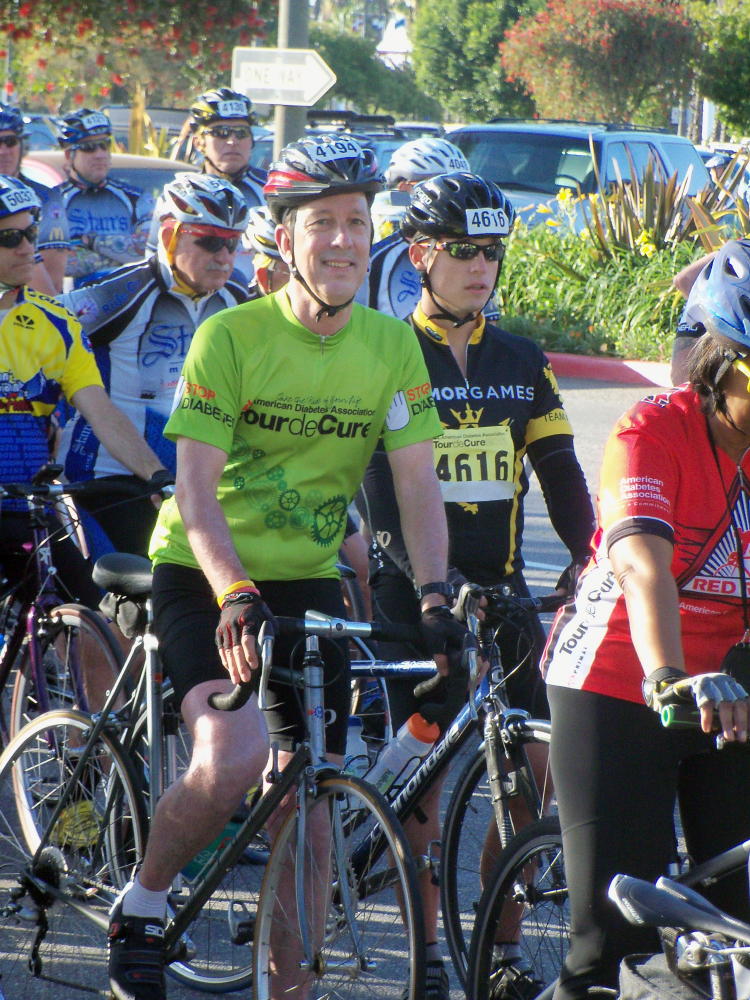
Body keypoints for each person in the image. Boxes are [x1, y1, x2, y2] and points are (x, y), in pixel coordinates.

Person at [107, 135, 466, 1000]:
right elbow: (194, 492)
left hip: (306, 578)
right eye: (322, 225)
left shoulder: (392, 347)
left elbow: (416, 487)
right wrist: (233, 593)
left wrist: (434, 593)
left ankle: (289, 979)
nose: (342, 241)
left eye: (356, 222)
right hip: (206, 569)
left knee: (308, 797)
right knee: (233, 756)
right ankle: (143, 904)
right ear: (286, 239)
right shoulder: (233, 337)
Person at [356, 170, 595, 1000]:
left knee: (528, 781)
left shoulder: (520, 358)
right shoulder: (388, 351)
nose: (481, 266)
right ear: (421, 255)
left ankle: (498, 954)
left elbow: (560, 471)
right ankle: (424, 961)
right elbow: (382, 496)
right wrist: (434, 582)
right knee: (421, 800)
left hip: (504, 591)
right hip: (412, 594)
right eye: (464, 251)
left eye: (492, 252)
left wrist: (590, 550)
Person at [542, 239, 750, 999]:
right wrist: (669, 675)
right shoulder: (652, 430)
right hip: (622, 676)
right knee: (611, 942)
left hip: (731, 683)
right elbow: (641, 564)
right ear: (719, 366)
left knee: (740, 923)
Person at [55, 172, 249, 559]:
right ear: (168, 236)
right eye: (210, 241)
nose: (224, 257)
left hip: (188, 480)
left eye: (232, 243)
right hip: (111, 476)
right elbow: (43, 328)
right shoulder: (121, 292)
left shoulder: (236, 296)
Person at [0, 173, 169, 611]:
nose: (25, 247)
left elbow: (100, 410)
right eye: (9, 236)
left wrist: (154, 475)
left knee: (92, 617)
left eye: (30, 233)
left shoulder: (54, 322)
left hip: (26, 508)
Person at [148, 88, 266, 284]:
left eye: (241, 133)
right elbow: (154, 260)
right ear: (198, 142)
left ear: (252, 140)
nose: (232, 141)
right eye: (221, 133)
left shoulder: (272, 191)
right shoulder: (178, 196)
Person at [356, 137, 475, 321]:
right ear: (404, 188)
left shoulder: (477, 254)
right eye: (441, 186)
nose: (455, 197)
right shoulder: (377, 259)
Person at [55, 108, 154, 287]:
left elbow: (149, 251)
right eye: (89, 147)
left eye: (104, 145)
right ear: (70, 155)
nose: (100, 154)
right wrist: (120, 257)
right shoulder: (51, 201)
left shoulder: (136, 198)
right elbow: (53, 261)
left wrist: (90, 242)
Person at [0, 102, 69, 293]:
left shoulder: (46, 198)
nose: (3, 151)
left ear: (22, 145)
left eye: (10, 142)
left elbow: (52, 287)